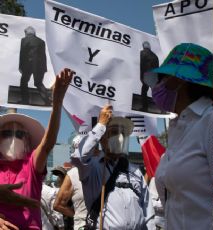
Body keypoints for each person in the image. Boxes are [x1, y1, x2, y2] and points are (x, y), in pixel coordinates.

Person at [0, 68, 74, 229]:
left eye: (19, 134)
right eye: (6, 133)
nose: (13, 138)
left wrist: (57, 103)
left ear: (27, 139)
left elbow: (47, 144)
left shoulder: (31, 165)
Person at [151, 43, 213, 229]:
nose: (157, 86)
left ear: (177, 80)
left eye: (161, 79)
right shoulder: (179, 128)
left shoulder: (209, 120)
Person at [70, 106, 154, 229]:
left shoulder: (135, 171)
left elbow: (148, 210)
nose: (120, 137)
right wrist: (101, 125)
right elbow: (79, 156)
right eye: (114, 133)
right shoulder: (92, 167)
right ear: (103, 139)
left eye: (122, 133)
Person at [19, 26, 50, 105]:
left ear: (26, 33)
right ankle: (47, 101)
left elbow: (22, 54)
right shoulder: (41, 41)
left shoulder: (24, 40)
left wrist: (20, 66)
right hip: (39, 66)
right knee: (38, 83)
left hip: (27, 65)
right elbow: (43, 55)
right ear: (34, 33)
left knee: (24, 82)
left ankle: (25, 100)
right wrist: (44, 68)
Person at [139, 41, 159, 112]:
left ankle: (145, 107)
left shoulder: (142, 53)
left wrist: (141, 77)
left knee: (144, 91)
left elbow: (142, 66)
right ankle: (162, 109)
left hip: (146, 75)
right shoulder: (155, 56)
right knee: (156, 93)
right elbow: (157, 68)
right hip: (153, 76)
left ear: (143, 46)